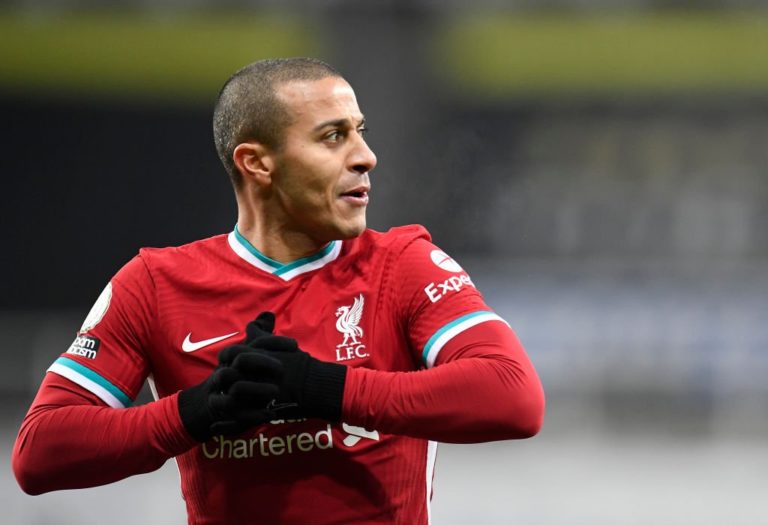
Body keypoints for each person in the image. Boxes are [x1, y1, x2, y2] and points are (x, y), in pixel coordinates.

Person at [12, 57, 545, 524]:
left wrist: (320, 387)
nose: (365, 156)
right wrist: (197, 412)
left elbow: (513, 396)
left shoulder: (403, 265)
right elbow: (39, 452)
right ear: (257, 163)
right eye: (333, 137)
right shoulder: (155, 285)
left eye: (360, 131)